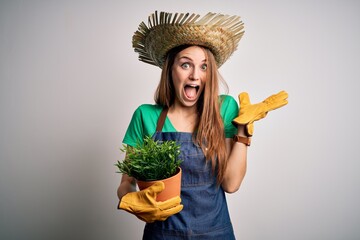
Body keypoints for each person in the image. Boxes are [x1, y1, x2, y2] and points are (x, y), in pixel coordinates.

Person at [117, 11, 288, 239]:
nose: (195, 75)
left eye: (204, 67)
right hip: (162, 234)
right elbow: (126, 183)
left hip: (215, 233)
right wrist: (130, 200)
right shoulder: (145, 116)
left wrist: (243, 131)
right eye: (186, 65)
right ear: (170, 70)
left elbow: (231, 183)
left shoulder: (224, 109)